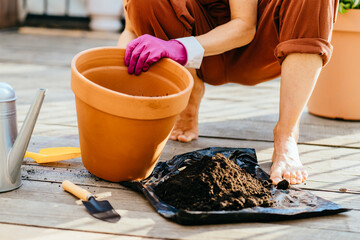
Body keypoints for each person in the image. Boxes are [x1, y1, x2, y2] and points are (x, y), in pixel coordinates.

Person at [117, 0, 339, 185]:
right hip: (198, 53)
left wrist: (178, 48)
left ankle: (286, 136)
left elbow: (244, 26)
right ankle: (189, 97)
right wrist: (113, 89)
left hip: (260, 45)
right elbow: (130, 29)